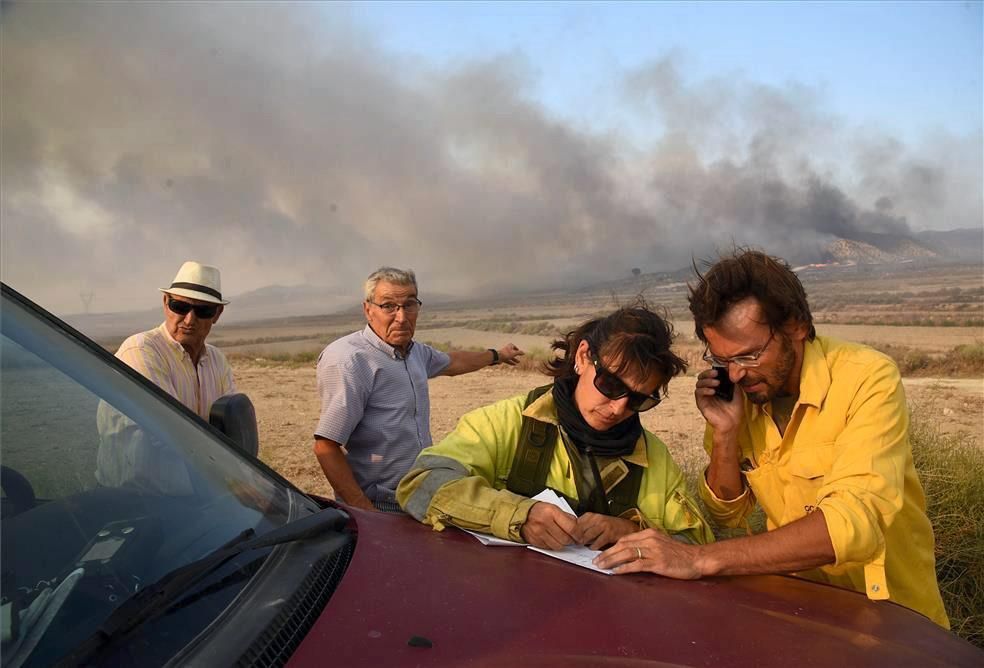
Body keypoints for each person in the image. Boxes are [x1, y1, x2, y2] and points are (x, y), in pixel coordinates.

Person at [595, 250, 949, 629]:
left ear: (795, 326)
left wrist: (699, 558)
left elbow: (854, 525)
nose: (734, 374)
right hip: (804, 616)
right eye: (720, 359)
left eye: (749, 355)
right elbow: (728, 513)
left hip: (895, 620)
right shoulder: (743, 396)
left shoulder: (867, 378)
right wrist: (726, 434)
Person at [397, 305, 714, 549]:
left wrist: (633, 532)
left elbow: (697, 546)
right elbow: (420, 485)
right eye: (610, 384)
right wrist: (517, 515)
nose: (619, 408)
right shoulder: (508, 423)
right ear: (583, 356)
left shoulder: (653, 459)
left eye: (638, 400)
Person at [314, 267, 525, 513]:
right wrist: (365, 511)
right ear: (368, 309)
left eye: (409, 305)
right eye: (389, 306)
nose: (401, 317)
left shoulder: (414, 352)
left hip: (418, 496)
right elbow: (326, 446)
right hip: (379, 506)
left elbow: (454, 362)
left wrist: (497, 355)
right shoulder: (350, 359)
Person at [96, 261, 235, 493]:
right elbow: (171, 430)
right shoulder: (141, 351)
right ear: (165, 303)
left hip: (196, 498)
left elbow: (232, 427)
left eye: (203, 311)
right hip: (133, 500)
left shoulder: (217, 360)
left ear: (217, 314)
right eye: (180, 306)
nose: (189, 320)